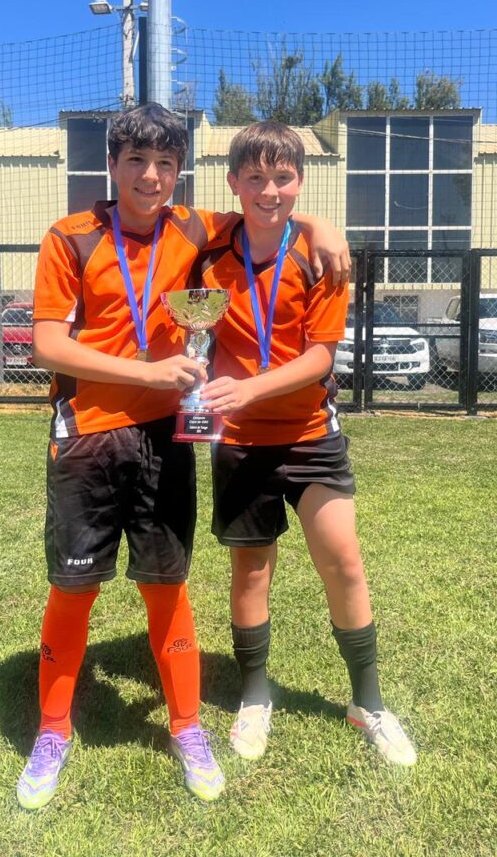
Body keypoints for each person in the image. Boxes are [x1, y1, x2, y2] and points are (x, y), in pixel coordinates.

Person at [17, 103, 351, 810]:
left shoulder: (196, 228)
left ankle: (188, 727)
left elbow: (270, 211)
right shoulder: (69, 237)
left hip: (165, 435)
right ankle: (52, 731)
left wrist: (323, 224)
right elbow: (46, 345)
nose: (151, 176)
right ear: (112, 166)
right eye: (137, 161)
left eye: (166, 163)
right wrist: (146, 374)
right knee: (74, 587)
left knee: (166, 583)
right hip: (85, 434)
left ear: (180, 172)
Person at [198, 121, 417, 767]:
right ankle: (255, 694)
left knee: (343, 561)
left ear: (300, 182)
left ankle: (368, 702)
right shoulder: (208, 246)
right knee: (251, 570)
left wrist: (322, 226)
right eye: (255, 177)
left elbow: (321, 358)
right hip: (240, 440)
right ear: (233, 183)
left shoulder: (323, 258)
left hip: (309, 435)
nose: (269, 190)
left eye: (283, 177)